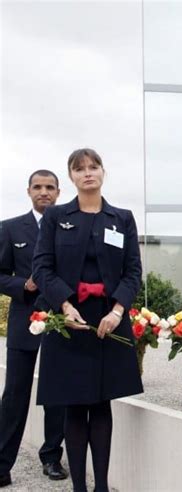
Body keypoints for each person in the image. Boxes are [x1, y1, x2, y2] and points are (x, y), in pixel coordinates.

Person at [32, 149, 143, 491]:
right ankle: (79, 486)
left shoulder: (121, 218)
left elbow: (132, 272)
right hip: (69, 320)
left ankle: (102, 487)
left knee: (101, 403)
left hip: (109, 320)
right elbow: (42, 267)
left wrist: (117, 311)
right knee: (75, 405)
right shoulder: (56, 218)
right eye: (79, 169)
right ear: (72, 177)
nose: (87, 173)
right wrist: (64, 306)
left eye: (93, 167)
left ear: (103, 173)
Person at [0, 170, 67, 488]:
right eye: (38, 187)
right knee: (14, 393)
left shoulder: (70, 226)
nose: (44, 192)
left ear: (58, 191)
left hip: (60, 320)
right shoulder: (10, 228)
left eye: (49, 187)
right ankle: (2, 464)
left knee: (57, 392)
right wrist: (20, 284)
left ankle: (52, 457)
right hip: (23, 320)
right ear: (28, 191)